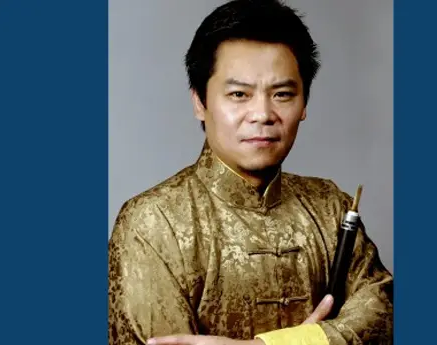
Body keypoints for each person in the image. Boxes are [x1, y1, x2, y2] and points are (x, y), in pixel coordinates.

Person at [108, 0, 393, 344]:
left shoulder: (331, 205)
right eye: (239, 94)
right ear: (200, 101)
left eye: (283, 94)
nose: (262, 113)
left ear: (304, 104)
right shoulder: (152, 222)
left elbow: (385, 312)